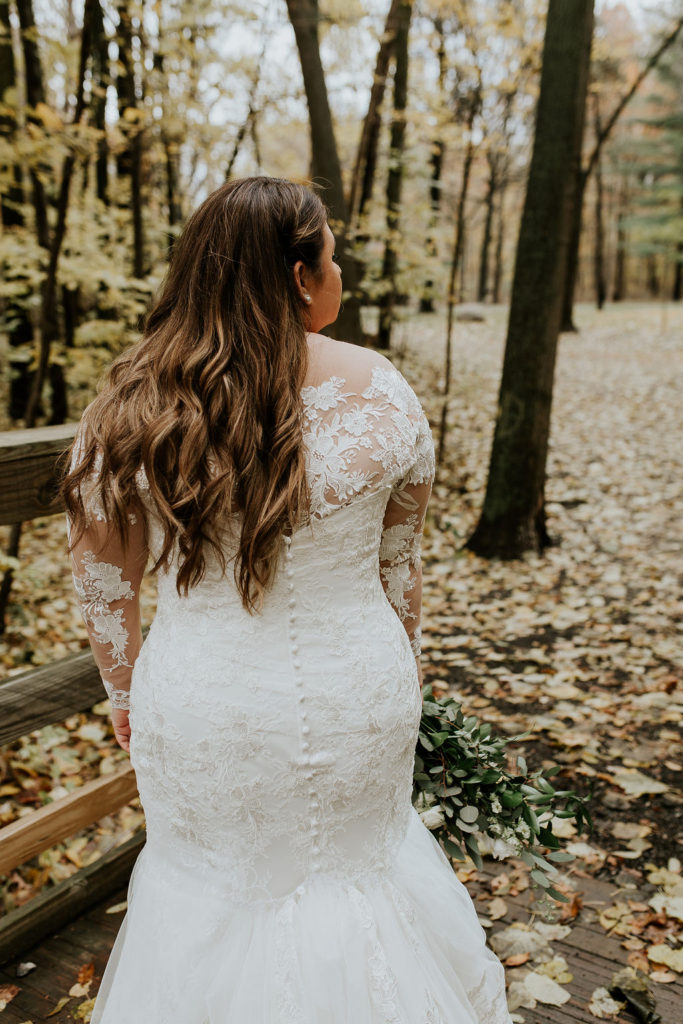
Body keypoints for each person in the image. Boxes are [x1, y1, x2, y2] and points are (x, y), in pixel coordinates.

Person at [62, 176, 512, 1023]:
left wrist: (125, 697)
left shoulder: (127, 406)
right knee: (359, 875)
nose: (339, 272)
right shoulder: (380, 390)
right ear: (301, 276)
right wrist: (401, 672)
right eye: (332, 256)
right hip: (356, 692)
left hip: (204, 702)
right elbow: (397, 572)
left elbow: (103, 588)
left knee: (211, 889)